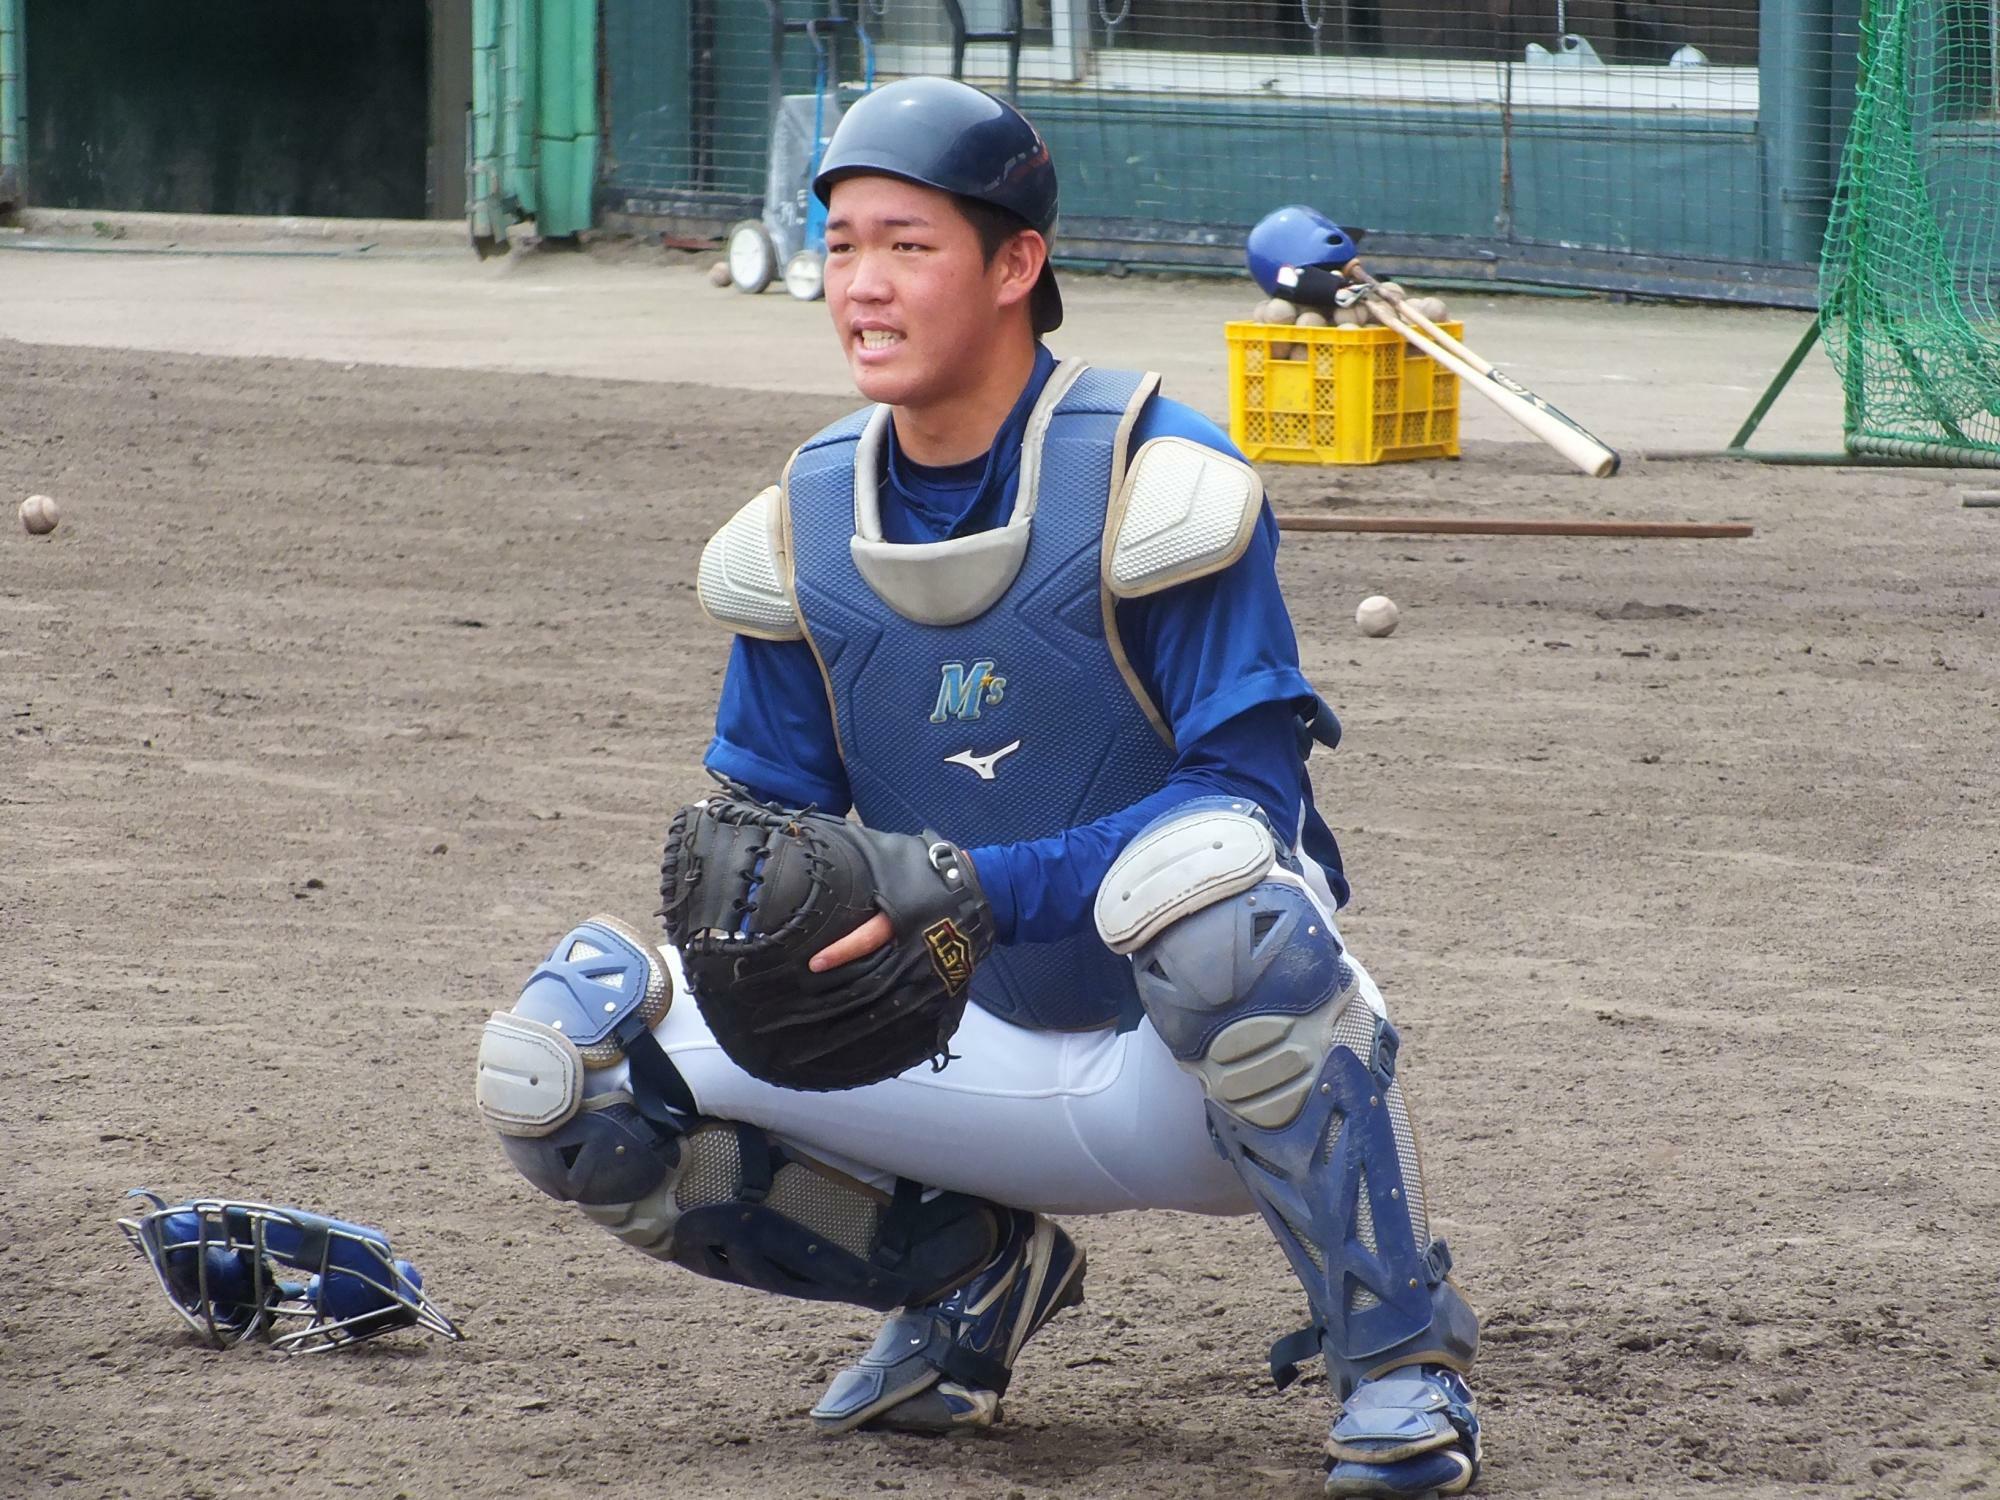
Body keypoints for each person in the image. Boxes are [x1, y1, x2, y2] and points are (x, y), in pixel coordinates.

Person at [475, 77, 1481, 1498]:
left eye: (907, 244)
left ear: (1016, 265)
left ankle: (1396, 1356)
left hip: (1186, 1064)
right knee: (562, 1068)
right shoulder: (800, 529)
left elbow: (1243, 801)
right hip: (953, 1051)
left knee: (1212, 908)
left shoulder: (1157, 477)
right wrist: (768, 916)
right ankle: (968, 1277)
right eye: (841, 246)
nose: (862, 286)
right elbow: (770, 826)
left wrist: (971, 889)